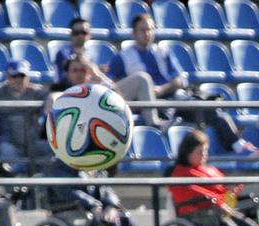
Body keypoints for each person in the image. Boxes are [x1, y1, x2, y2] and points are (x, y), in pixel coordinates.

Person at [106, 13, 251, 148]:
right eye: (143, 30)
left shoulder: (162, 52)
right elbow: (111, 84)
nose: (147, 33)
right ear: (133, 33)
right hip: (154, 104)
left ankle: (239, 147)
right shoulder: (123, 57)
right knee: (169, 113)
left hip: (175, 97)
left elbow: (180, 80)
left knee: (214, 112)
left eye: (150, 29)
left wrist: (163, 89)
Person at [0, 59, 48, 170]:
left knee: (51, 148)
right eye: (14, 76)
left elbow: (56, 95)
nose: (18, 80)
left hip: (33, 142)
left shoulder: (37, 93)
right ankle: (15, 185)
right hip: (9, 142)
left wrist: (51, 97)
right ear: (7, 77)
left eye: (22, 76)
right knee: (4, 148)